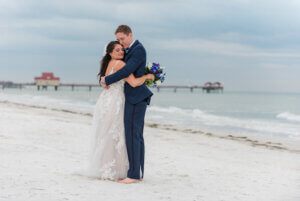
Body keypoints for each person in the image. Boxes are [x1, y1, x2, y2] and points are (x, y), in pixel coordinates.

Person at [76, 40, 154, 181]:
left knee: (107, 133)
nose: (121, 52)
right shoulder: (120, 64)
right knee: (115, 134)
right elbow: (134, 82)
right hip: (116, 102)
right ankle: (115, 169)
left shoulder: (108, 64)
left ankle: (105, 167)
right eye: (117, 50)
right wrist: (149, 77)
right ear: (110, 53)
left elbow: (104, 83)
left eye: (121, 49)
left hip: (106, 101)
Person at [100, 25, 153, 184]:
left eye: (122, 39)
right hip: (132, 97)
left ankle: (134, 175)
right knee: (135, 135)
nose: (121, 43)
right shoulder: (129, 50)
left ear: (130, 35)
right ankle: (139, 172)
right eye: (118, 40)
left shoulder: (138, 49)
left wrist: (106, 80)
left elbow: (126, 70)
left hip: (136, 97)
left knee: (133, 135)